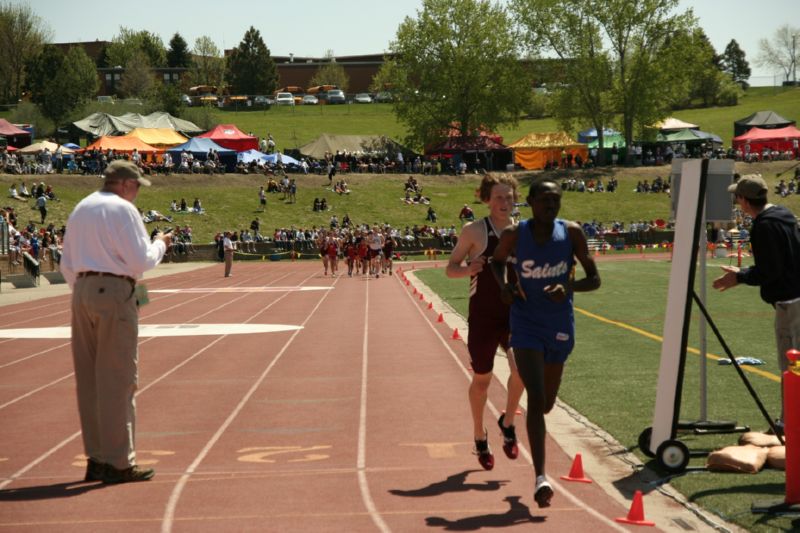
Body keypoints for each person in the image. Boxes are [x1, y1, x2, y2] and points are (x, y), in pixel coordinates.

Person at [59, 160, 171, 484]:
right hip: (114, 291)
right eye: (136, 186)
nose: (136, 193)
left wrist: (85, 289)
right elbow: (141, 260)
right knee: (119, 379)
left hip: (81, 290)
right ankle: (120, 461)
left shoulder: (81, 208)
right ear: (123, 184)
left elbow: (67, 262)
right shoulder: (123, 210)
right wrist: (161, 244)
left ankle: (96, 458)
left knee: (89, 381)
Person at [491, 177, 600, 508]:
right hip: (525, 326)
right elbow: (497, 262)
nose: (551, 206)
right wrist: (505, 288)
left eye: (556, 201)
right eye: (545, 201)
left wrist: (569, 289)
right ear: (531, 201)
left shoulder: (571, 233)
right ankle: (541, 477)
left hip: (559, 326)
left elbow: (594, 279)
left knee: (546, 404)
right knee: (536, 398)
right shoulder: (514, 234)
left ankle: (514, 425)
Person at [446, 173, 526, 473]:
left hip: (515, 315)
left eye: (509, 196)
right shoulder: (475, 231)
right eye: (498, 197)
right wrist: (468, 268)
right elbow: (450, 269)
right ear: (487, 200)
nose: (505, 202)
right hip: (483, 317)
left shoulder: (524, 234)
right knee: (483, 379)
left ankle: (507, 421)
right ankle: (480, 435)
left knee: (523, 371)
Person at [713, 174, 800, 436]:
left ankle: (788, 425)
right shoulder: (784, 214)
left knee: (791, 367)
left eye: (737, 198)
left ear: (743, 200)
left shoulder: (763, 226)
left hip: (790, 303)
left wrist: (738, 277)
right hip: (796, 295)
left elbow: (770, 271)